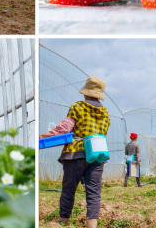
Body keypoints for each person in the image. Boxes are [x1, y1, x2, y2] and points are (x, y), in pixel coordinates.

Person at [39, 76, 110, 228]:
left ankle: (62, 223)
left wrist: (41, 138)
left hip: (76, 153)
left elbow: (63, 130)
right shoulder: (105, 113)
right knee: (94, 193)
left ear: (86, 93)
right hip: (97, 154)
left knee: (68, 191)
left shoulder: (78, 106)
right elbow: (102, 134)